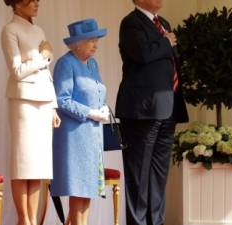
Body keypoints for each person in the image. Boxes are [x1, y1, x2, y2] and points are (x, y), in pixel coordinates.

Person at [115, 0, 189, 224]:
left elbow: (172, 60)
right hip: (141, 110)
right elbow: (143, 55)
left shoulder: (163, 23)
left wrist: (169, 44)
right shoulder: (130, 23)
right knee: (138, 176)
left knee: (158, 176)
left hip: (168, 108)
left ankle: (156, 221)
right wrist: (166, 41)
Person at [1, 1, 60, 225]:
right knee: (22, 162)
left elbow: (46, 73)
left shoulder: (39, 30)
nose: (36, 3)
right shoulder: (10, 30)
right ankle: (23, 219)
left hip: (44, 101)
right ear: (16, 4)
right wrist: (44, 55)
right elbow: (17, 71)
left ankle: (33, 221)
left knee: (38, 164)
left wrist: (53, 105)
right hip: (23, 101)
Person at [51, 19, 109, 225]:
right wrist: (91, 113)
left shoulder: (92, 63)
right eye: (91, 40)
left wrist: (103, 108)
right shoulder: (65, 63)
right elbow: (61, 99)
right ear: (76, 43)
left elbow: (98, 92)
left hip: (93, 136)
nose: (95, 44)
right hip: (74, 136)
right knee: (78, 191)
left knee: (87, 193)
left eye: (96, 40)